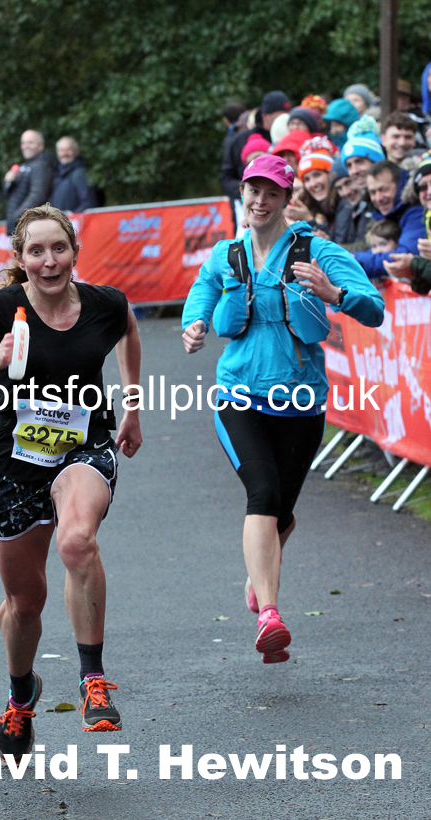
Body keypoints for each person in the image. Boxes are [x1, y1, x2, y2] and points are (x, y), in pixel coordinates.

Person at [0, 203, 142, 760]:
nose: (50, 261)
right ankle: (21, 696)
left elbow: (128, 326)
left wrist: (133, 405)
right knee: (25, 605)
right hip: (15, 466)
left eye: (59, 248)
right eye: (37, 251)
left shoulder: (103, 303)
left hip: (83, 449)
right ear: (21, 260)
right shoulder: (1, 310)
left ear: (74, 251)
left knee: (77, 541)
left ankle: (92, 680)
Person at [181, 154, 384, 665]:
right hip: (238, 395)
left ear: (287, 199)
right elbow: (203, 289)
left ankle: (259, 575)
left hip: (300, 400)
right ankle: (269, 615)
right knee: (263, 494)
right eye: (254, 190)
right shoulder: (228, 253)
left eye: (272, 192)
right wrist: (194, 323)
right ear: (242, 194)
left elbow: (375, 308)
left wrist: (334, 293)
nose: (260, 201)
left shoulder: (318, 250)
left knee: (282, 514)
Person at [353, 159, 426, 279]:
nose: (378, 198)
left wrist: (353, 261)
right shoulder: (383, 214)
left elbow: (402, 256)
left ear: (400, 186)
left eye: (383, 190)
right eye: (373, 192)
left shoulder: (416, 211)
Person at [384, 151, 431, 293]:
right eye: (423, 187)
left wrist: (414, 264)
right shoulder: (427, 216)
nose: (429, 192)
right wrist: (412, 273)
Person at [5, 130, 57, 235]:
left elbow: (38, 195)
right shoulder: (25, 166)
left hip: (31, 225)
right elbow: (11, 195)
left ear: (40, 146)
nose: (26, 146)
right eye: (23, 143)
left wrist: (17, 217)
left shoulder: (41, 165)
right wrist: (8, 182)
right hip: (21, 225)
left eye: (30, 142)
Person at [49, 137, 98, 213]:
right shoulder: (56, 175)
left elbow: (88, 203)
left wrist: (71, 217)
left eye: (68, 149)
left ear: (76, 152)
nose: (64, 153)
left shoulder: (80, 174)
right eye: (61, 150)